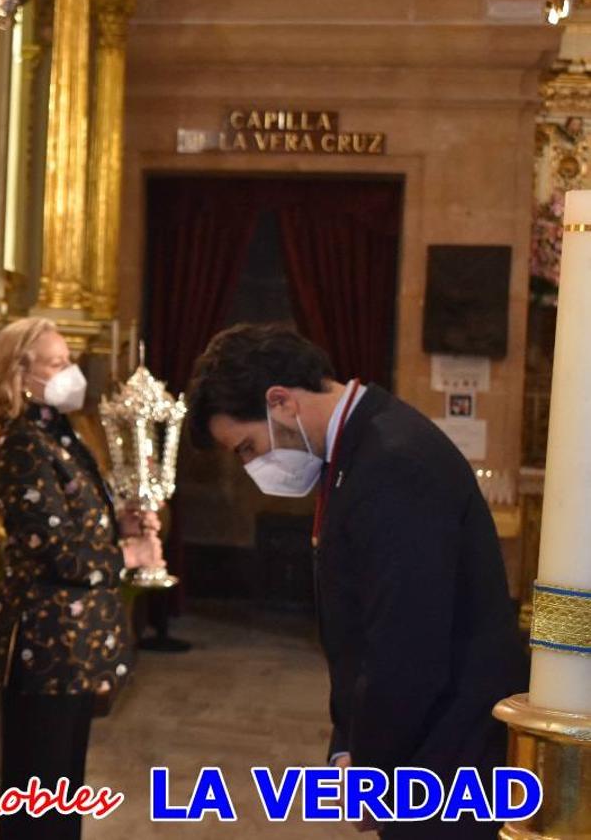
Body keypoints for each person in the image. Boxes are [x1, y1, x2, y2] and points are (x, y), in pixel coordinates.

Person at [187, 323, 525, 838]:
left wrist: (369, 769)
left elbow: (405, 649)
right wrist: (347, 747)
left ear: (280, 402)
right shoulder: (356, 449)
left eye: (247, 447)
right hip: (421, 750)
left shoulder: (393, 460)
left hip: (447, 755)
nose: (252, 463)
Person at [0, 318, 161, 840]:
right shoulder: (22, 442)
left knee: (62, 792)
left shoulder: (59, 433)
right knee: (38, 797)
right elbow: (54, 550)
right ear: (21, 373)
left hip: (75, 648)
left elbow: (77, 521)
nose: (71, 373)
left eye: (70, 361)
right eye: (57, 364)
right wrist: (125, 553)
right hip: (46, 647)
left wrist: (118, 522)